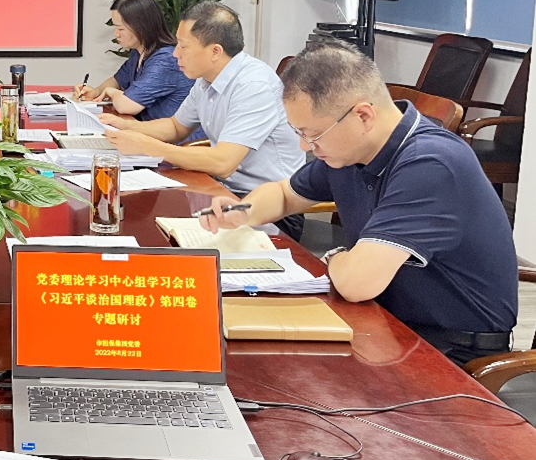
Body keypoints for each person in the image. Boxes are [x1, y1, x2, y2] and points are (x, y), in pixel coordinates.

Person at [199, 39, 519, 365]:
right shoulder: (352, 151)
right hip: (385, 325)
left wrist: (335, 256)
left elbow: (356, 284)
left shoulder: (430, 164)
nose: (304, 147)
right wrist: (242, 211)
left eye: (312, 134)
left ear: (363, 115)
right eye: (299, 133)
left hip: (452, 352)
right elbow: (284, 194)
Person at [101, 1, 304, 239]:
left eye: (183, 46)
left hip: (267, 209)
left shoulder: (253, 85)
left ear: (215, 51)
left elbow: (223, 163)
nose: (175, 53)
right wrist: (130, 127)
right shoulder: (206, 79)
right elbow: (176, 127)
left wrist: (148, 146)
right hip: (219, 192)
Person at [74, 0, 195, 122]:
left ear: (141, 26)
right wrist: (97, 92)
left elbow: (126, 106)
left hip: (170, 135)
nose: (116, 34)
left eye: (120, 28)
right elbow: (117, 80)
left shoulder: (166, 59)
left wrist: (111, 92)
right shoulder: (138, 53)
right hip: (145, 129)